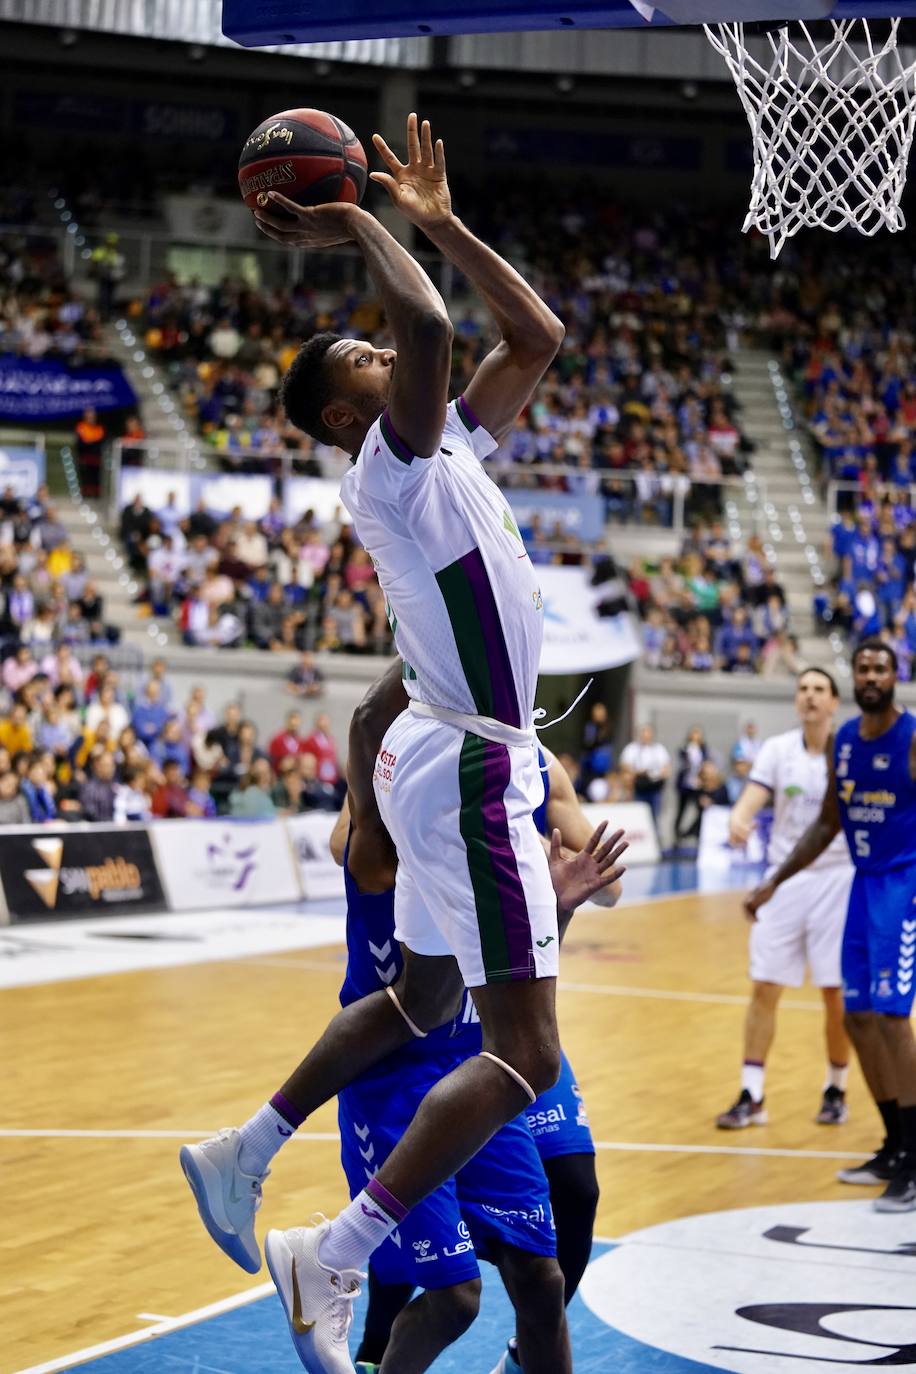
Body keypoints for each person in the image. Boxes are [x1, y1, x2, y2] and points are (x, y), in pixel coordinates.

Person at [181, 109, 583, 1374]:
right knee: (525, 1053)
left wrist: (440, 220)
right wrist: (358, 213)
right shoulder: (393, 468)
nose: (378, 351)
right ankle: (337, 1250)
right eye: (355, 356)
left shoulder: (441, 439)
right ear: (347, 413)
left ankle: (245, 1147)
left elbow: (535, 337)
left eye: (368, 346)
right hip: (467, 760)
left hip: (439, 751)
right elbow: (427, 327)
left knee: (420, 996)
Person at [181, 663, 624, 1374]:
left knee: (541, 1275)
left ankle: (263, 1172)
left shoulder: (501, 823)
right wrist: (429, 646)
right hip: (393, 1079)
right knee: (449, 1295)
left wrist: (556, 900)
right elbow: (361, 760)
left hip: (480, 1062)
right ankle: (277, 1191)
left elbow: (527, 964)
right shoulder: (384, 831)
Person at [746, 641, 916, 1211]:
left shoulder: (911, 739)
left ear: (896, 676)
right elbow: (826, 826)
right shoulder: (845, 742)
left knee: (893, 1020)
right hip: (863, 886)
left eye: (881, 668)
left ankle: (915, 1160)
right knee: (858, 1017)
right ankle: (894, 1144)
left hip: (903, 887)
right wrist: (776, 880)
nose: (872, 676)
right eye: (864, 668)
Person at [718, 669, 854, 1129]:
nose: (810, 696)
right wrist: (738, 819)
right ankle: (751, 1094)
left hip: (838, 879)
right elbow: (752, 799)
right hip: (783, 881)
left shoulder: (848, 749)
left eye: (819, 690)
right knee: (764, 987)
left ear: (834, 702)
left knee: (835, 995)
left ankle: (836, 1086)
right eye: (803, 689)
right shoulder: (778, 750)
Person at [619, 723, 670, 833]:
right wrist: (639, 772)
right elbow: (625, 766)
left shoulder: (659, 749)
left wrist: (653, 773)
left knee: (654, 818)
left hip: (654, 787)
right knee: (637, 816)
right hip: (638, 787)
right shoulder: (632, 748)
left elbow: (666, 769)